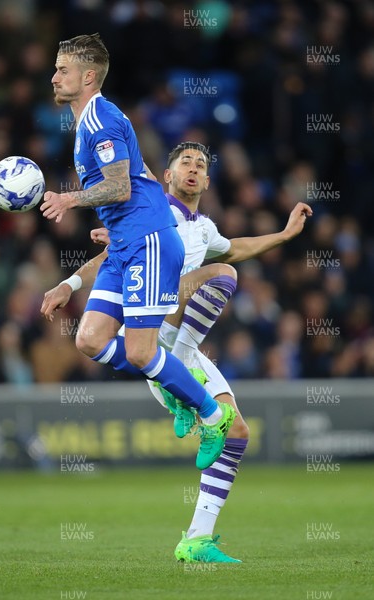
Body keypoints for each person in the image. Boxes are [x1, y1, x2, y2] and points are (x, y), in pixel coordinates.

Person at [41, 140, 313, 562]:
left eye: (201, 164)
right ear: (166, 176)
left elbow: (235, 246)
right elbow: (111, 255)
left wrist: (285, 233)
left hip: (172, 343)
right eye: (184, 162)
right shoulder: (153, 212)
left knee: (238, 432)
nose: (193, 168)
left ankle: (196, 540)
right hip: (151, 327)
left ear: (206, 180)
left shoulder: (203, 228)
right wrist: (69, 284)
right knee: (222, 274)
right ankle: (176, 370)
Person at [40, 34, 236, 472]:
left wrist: (70, 200)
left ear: (88, 77)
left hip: (147, 242)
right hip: (129, 240)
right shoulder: (91, 121)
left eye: (62, 70)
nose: (54, 77)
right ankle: (178, 388)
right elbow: (142, 176)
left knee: (143, 353)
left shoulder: (100, 121)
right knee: (89, 339)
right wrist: (118, 225)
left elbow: (120, 186)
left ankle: (211, 414)